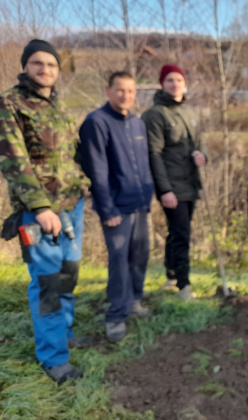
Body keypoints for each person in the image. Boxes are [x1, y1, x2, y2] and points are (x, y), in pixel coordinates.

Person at [0, 39, 91, 383]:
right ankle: (53, 359)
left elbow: (70, 157)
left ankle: (63, 334)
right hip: (40, 213)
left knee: (68, 274)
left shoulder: (57, 106)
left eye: (51, 65)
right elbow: (13, 162)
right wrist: (39, 208)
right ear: (26, 66)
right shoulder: (10, 104)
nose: (45, 70)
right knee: (48, 284)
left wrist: (86, 188)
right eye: (38, 63)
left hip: (72, 206)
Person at [79, 72, 155, 342]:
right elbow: (97, 170)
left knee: (140, 254)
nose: (126, 96)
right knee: (119, 260)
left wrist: (149, 196)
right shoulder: (96, 122)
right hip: (116, 208)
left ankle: (134, 301)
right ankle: (115, 316)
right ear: (108, 90)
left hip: (140, 203)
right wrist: (107, 209)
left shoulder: (137, 123)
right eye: (120, 90)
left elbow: (143, 164)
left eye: (131, 91)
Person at [142, 64, 206, 301]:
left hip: (191, 183)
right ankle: (184, 285)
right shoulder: (155, 115)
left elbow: (200, 143)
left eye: (179, 80)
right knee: (182, 233)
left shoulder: (191, 113)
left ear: (185, 83)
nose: (175, 84)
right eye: (170, 80)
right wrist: (164, 189)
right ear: (162, 84)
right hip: (172, 185)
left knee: (177, 230)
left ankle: (171, 273)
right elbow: (153, 154)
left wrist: (203, 156)